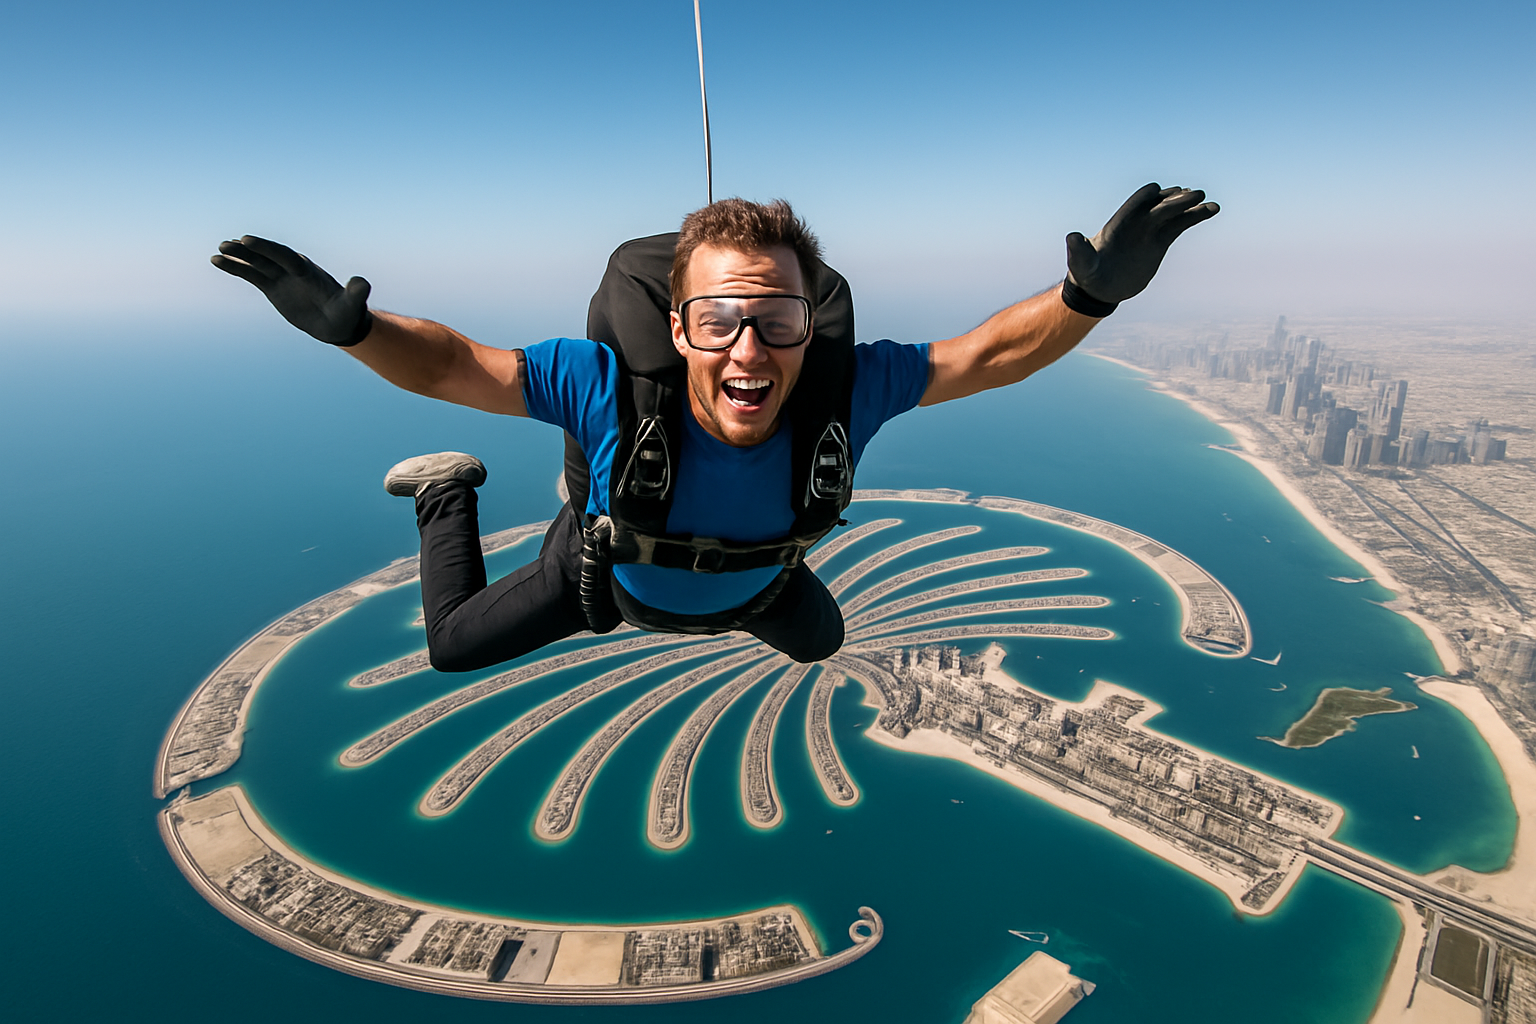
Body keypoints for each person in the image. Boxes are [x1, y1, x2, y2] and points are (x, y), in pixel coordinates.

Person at [211, 184, 1217, 670]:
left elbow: (989, 354)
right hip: (597, 572)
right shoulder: (605, 387)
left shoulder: (840, 392)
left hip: (757, 585)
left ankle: (748, 601)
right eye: (718, 321)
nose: (748, 351)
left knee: (821, 643)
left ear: (807, 326)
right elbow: (457, 364)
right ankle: (443, 494)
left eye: (777, 321)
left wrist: (1087, 300)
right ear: (677, 329)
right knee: (451, 648)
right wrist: (356, 331)